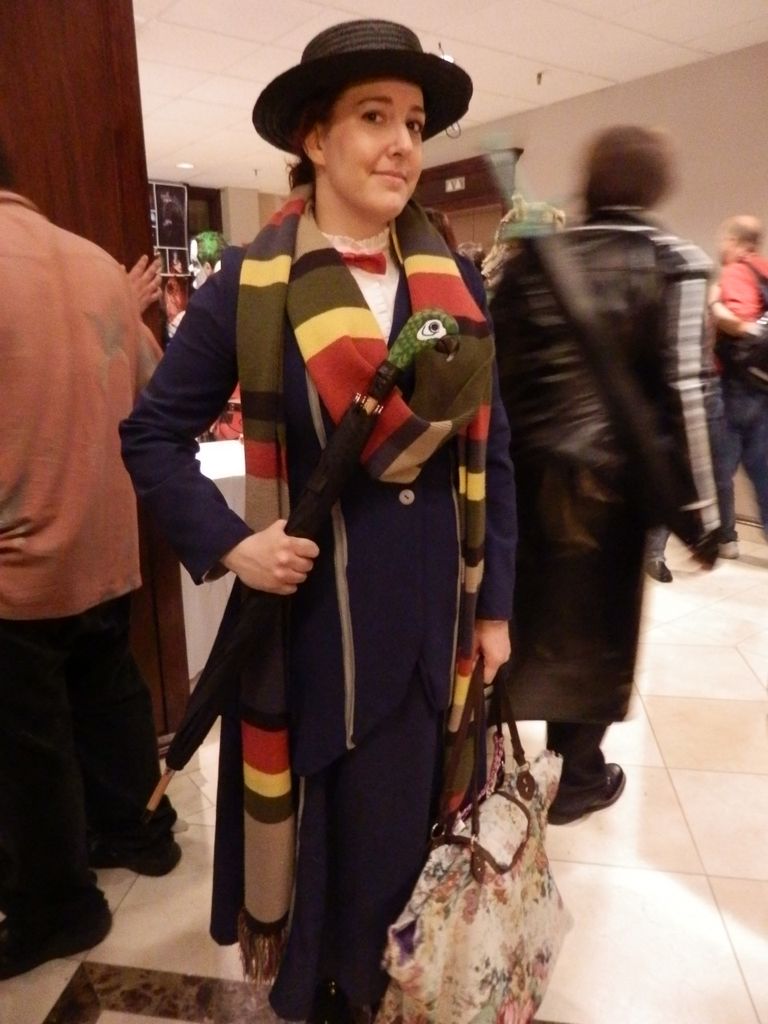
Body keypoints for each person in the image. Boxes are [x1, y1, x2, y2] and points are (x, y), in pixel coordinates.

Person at [120, 19, 516, 1023]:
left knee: (412, 858)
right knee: (330, 880)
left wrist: (497, 608)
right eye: (374, 117)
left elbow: (496, 451)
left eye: (414, 122)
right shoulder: (250, 288)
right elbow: (152, 435)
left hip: (437, 628)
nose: (402, 144)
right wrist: (231, 543)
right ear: (314, 138)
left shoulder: (454, 280)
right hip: (315, 639)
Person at [491, 125, 719, 826]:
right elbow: (685, 392)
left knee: (524, 618)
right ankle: (578, 775)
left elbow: (495, 377)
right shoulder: (673, 260)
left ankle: (495, 772)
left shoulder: (532, 262)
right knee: (594, 632)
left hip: (523, 477)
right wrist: (704, 514)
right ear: (655, 185)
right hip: (611, 490)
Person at [0, 142, 180, 981]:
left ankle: (58, 908)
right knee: (109, 694)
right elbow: (154, 386)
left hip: (17, 557)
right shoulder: (97, 264)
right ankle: (141, 832)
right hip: (106, 539)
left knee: (26, 741)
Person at [709, 215, 768, 549]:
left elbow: (739, 318)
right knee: (762, 470)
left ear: (734, 242)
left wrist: (715, 304)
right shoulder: (765, 270)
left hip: (736, 386)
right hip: (763, 385)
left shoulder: (736, 272)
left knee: (720, 467)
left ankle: (726, 537)